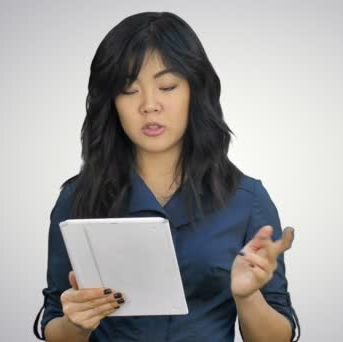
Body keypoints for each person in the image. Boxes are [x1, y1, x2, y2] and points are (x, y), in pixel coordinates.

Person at [32, 11, 301, 342]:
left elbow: (277, 337)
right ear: (111, 102)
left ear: (195, 91)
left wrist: (247, 296)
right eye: (129, 90)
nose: (149, 105)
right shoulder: (76, 199)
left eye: (167, 86)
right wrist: (77, 322)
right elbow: (55, 326)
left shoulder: (246, 200)